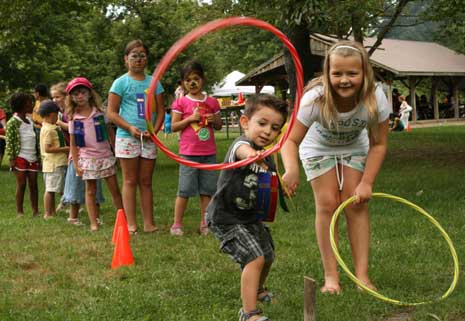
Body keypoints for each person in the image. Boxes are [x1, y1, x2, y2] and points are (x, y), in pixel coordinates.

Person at [281, 40, 390, 294]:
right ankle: (331, 278)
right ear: (327, 73)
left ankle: (361, 276)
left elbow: (379, 144)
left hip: (354, 146)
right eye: (337, 73)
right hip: (318, 147)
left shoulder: (375, 98)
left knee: (355, 203)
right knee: (328, 203)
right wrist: (292, 168)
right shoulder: (315, 99)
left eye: (352, 73)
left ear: (364, 73)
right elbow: (290, 140)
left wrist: (367, 183)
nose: (344, 80)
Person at [207, 94, 288, 321]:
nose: (267, 132)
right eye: (261, 124)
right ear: (245, 122)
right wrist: (252, 156)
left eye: (274, 128)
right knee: (254, 258)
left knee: (268, 254)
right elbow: (244, 153)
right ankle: (249, 313)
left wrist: (282, 186)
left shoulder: (268, 157)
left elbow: (268, 182)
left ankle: (258, 289)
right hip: (226, 217)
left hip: (249, 217)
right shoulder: (241, 145)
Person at [107, 39, 165, 234]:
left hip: (149, 138)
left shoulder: (154, 83)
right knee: (130, 180)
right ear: (126, 59)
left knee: (146, 181)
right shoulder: (120, 83)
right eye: (134, 56)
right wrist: (130, 127)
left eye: (142, 55)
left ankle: (149, 223)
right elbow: (112, 112)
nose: (139, 59)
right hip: (127, 137)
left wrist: (154, 131)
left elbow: (161, 110)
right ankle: (131, 224)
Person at [170, 60, 222, 236]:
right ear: (183, 83)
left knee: (207, 190)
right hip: (188, 153)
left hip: (208, 153)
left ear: (203, 80)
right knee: (184, 190)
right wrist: (190, 119)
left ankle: (205, 223)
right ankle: (177, 224)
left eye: (196, 79)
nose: (192, 83)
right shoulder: (181, 103)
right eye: (188, 80)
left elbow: (219, 126)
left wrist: (214, 120)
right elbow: (174, 126)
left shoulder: (213, 102)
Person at [67, 77, 123, 231]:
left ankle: (123, 220)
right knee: (90, 191)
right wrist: (77, 163)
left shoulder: (100, 113)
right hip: (87, 159)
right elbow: (73, 144)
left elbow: (111, 134)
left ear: (89, 94)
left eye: (82, 92)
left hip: (105, 156)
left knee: (114, 190)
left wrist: (116, 153)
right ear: (71, 98)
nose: (79, 96)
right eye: (75, 94)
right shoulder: (73, 119)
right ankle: (94, 223)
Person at [5, 93, 40, 217]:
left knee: (34, 184)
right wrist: (11, 159)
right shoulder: (13, 122)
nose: (32, 105)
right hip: (20, 157)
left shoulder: (30, 121)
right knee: (22, 184)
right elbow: (10, 142)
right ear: (21, 106)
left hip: (32, 157)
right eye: (29, 103)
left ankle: (35, 211)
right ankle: (20, 211)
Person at [38, 101, 69, 219]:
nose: (58, 116)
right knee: (50, 190)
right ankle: (47, 213)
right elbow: (47, 148)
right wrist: (64, 149)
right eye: (56, 114)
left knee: (54, 189)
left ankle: (53, 212)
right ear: (50, 114)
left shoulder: (53, 127)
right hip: (53, 164)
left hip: (57, 163)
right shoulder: (48, 129)